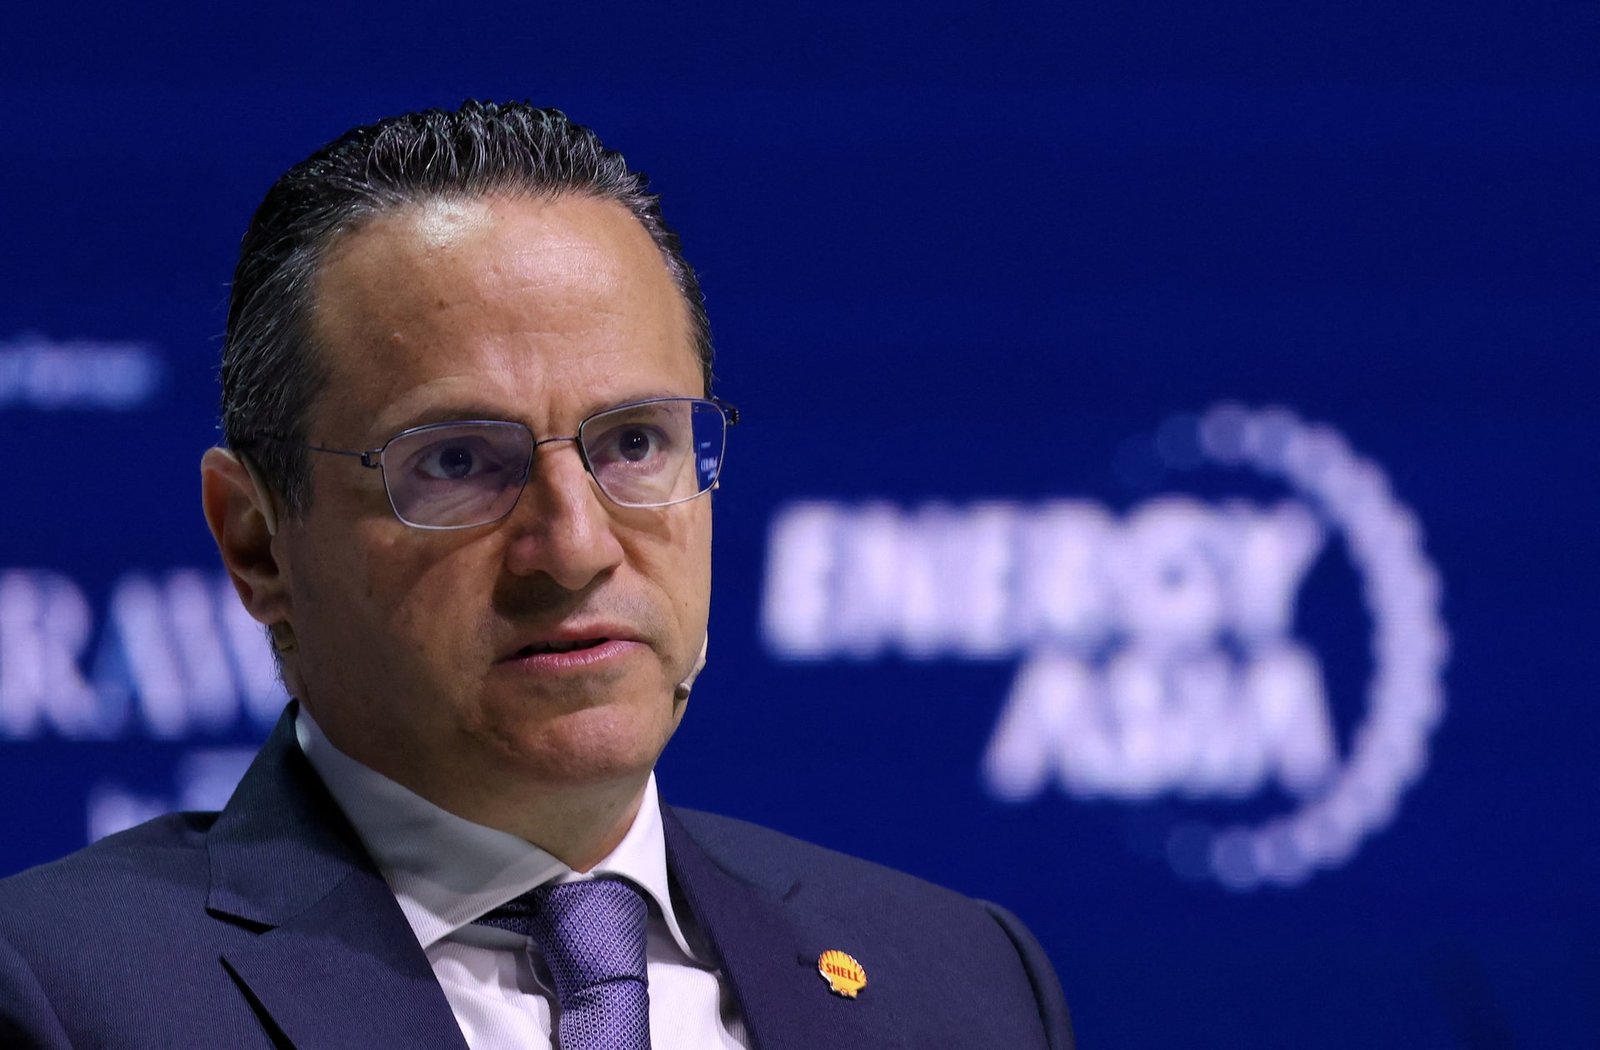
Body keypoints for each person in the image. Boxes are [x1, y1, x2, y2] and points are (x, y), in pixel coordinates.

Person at [0, 101, 1073, 1049]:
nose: (574, 547)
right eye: (456, 463)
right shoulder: (62, 998)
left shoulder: (963, 983)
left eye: (636, 444)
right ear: (257, 542)